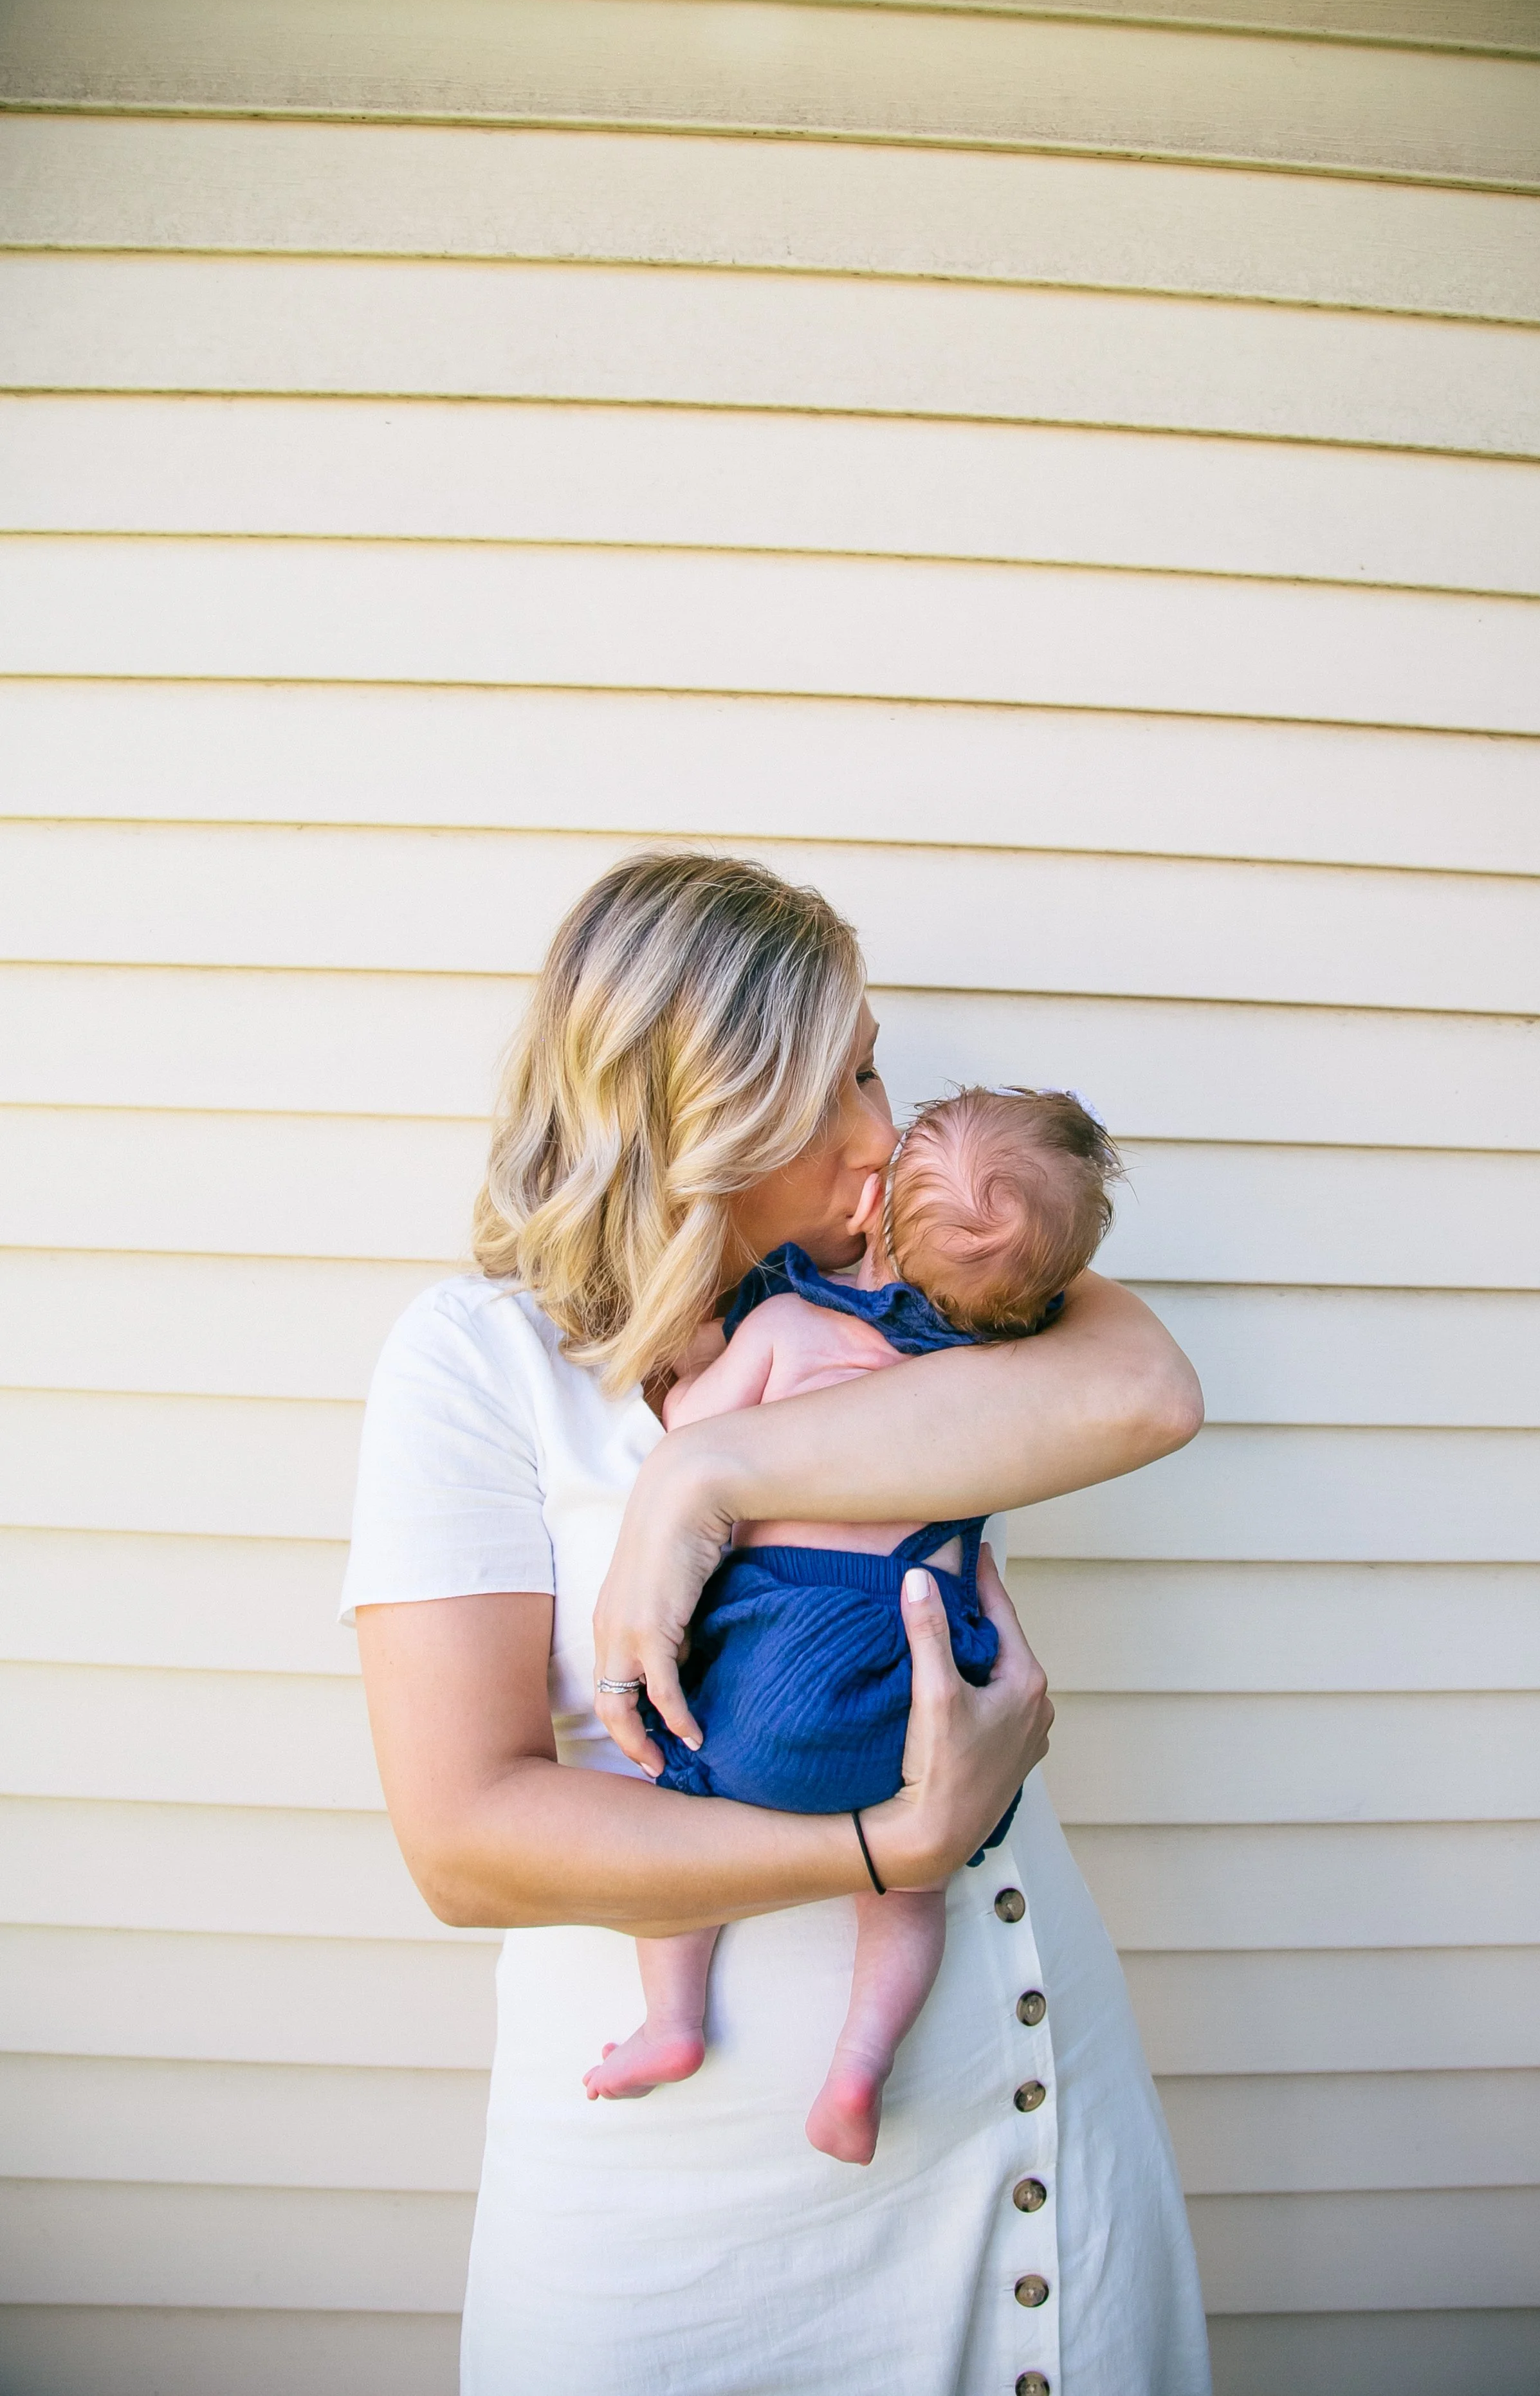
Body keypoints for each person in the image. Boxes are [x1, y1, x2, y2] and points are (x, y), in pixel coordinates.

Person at [344, 852, 1212, 2395]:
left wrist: (705, 1471)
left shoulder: (914, 1293)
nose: (884, 1132)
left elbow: (1147, 1393)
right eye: (840, 1085)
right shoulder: (478, 1363)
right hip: (688, 2238)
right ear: (700, 1106)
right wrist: (879, 1852)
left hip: (1021, 2140)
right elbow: (463, 1843)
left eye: (875, 1068)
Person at [584, 1087, 1123, 2173]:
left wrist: (696, 1388)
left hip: (775, 1671)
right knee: (909, 1880)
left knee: (681, 1833)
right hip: (915, 1683)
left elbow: (691, 1435)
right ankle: (860, 2066)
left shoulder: (785, 1325)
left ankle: (673, 2020)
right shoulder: (982, 1387)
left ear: (874, 1217)